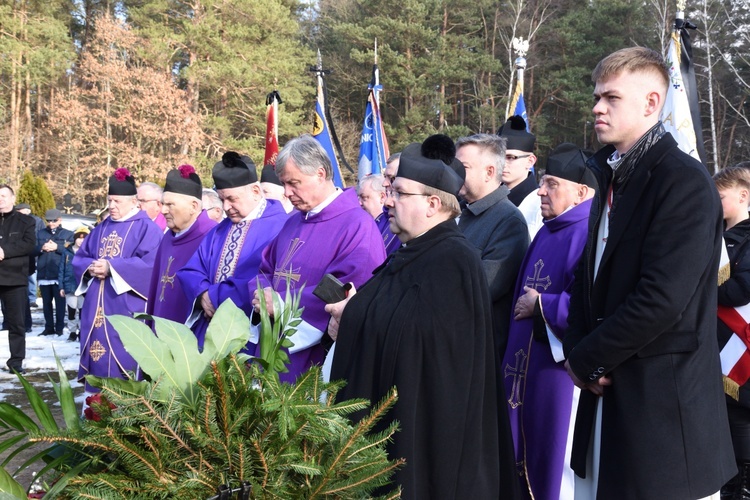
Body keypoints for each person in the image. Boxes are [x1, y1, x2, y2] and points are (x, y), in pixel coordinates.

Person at [563, 46, 735, 499]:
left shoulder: (684, 182)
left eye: (611, 98)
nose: (597, 106)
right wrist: (579, 351)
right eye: (597, 96)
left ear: (651, 104)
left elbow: (661, 300)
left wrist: (585, 358)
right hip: (607, 399)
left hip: (661, 416)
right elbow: (590, 276)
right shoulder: (612, 174)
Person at [327, 151, 519, 499]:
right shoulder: (410, 251)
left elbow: (426, 344)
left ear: (432, 203)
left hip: (425, 432)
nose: (388, 200)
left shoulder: (455, 260)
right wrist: (354, 312)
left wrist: (355, 317)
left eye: (400, 193)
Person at [501, 143, 596, 500]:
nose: (541, 191)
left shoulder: (590, 233)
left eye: (552, 183)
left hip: (557, 373)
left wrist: (543, 304)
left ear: (581, 192)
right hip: (521, 367)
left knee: (553, 460)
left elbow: (593, 305)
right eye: (542, 182)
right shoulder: (547, 230)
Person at [252, 134, 386, 383]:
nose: (287, 193)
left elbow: (350, 291)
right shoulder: (292, 221)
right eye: (284, 184)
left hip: (314, 357)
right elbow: (265, 269)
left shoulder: (357, 225)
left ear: (321, 173)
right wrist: (262, 294)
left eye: (294, 183)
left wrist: (281, 304)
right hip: (271, 344)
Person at [177, 152, 288, 349]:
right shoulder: (220, 229)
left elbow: (263, 277)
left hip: (250, 334)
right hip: (210, 326)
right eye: (221, 199)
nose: (226, 207)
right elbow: (192, 269)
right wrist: (202, 293)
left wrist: (214, 296)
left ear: (255, 191)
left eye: (231, 198)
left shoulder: (281, 227)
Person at [73, 168, 163, 392]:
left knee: (125, 359)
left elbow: (151, 265)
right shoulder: (101, 228)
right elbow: (80, 258)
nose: (112, 206)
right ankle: (95, 409)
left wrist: (113, 267)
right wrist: (91, 268)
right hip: (97, 309)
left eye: (117, 201)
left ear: (134, 202)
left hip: (126, 308)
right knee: (98, 361)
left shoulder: (147, 228)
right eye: (109, 200)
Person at [455, 133, 529, 358]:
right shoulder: (457, 210)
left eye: (463, 167)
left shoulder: (509, 221)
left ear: (489, 172)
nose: (454, 173)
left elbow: (482, 289)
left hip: (473, 354)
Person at [714, 165, 750, 499]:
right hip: (716, 346)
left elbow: (741, 290)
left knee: (740, 424)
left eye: (720, 196)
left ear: (743, 195)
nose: (714, 201)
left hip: (740, 351)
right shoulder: (717, 236)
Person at [147, 165, 217, 323]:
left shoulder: (212, 237)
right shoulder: (167, 237)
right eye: (162, 204)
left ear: (193, 206)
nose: (163, 210)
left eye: (170, 204)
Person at [0, 185, 36, 373]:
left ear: (13, 198)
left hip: (14, 279)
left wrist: (4, 251)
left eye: (4, 196)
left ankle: (16, 362)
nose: (1, 199)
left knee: (16, 323)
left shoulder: (25, 221)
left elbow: (29, 244)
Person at [498, 115, 543, 238]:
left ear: (530, 161)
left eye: (511, 157)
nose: (502, 164)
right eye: (499, 157)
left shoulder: (540, 203)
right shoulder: (490, 198)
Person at [35, 208, 73, 336]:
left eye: (54, 220)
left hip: (58, 273)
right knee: (46, 303)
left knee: (60, 303)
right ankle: (48, 327)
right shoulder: (40, 233)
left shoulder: (67, 234)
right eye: (48, 220)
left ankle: (59, 328)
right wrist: (41, 247)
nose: (51, 223)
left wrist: (57, 247)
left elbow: (72, 251)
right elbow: (32, 248)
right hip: (44, 272)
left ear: (60, 220)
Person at [59, 226, 89, 342]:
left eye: (84, 238)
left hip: (83, 286)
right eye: (79, 238)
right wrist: (61, 286)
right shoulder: (67, 252)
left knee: (82, 310)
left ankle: (82, 331)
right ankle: (72, 332)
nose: (81, 240)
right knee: (71, 310)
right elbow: (61, 269)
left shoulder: (88, 252)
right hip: (69, 285)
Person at [358, 174, 399, 255]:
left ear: (382, 197)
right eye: (358, 198)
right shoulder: (364, 227)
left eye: (364, 198)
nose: (359, 203)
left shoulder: (395, 225)